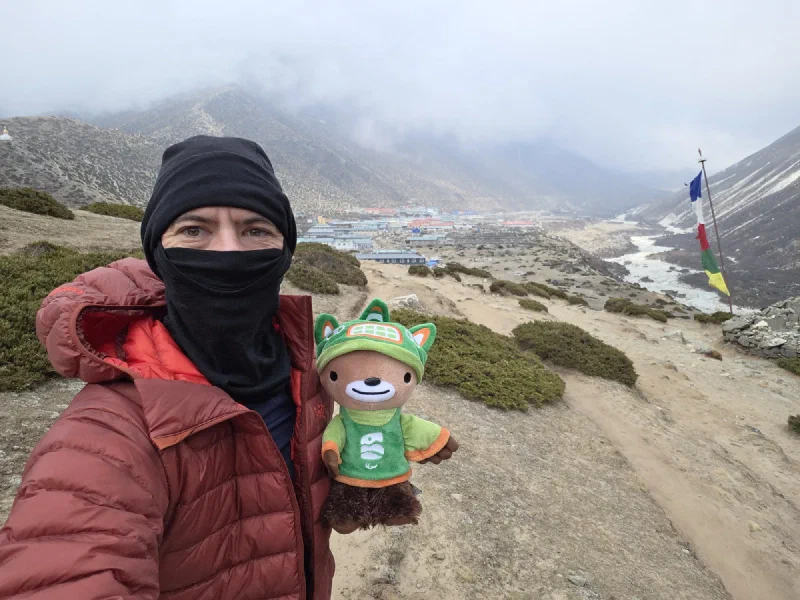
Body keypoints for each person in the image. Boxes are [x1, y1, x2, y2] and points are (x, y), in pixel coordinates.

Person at [0, 136, 334, 599]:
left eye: (256, 229)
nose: (229, 252)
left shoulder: (306, 371)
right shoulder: (109, 433)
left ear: (285, 249)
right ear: (158, 252)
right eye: (194, 230)